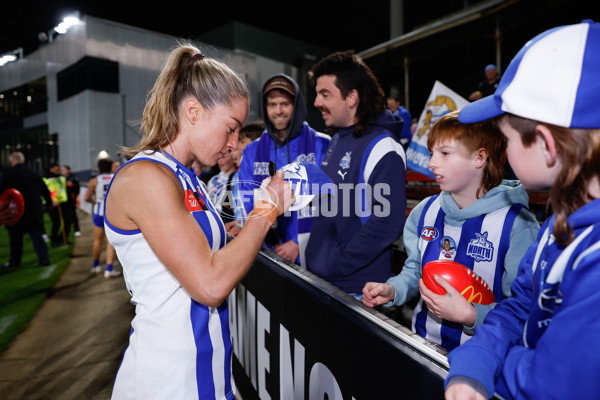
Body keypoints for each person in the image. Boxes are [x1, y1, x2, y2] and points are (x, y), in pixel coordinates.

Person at [103, 43, 293, 399]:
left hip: (206, 374)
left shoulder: (188, 178)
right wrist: (266, 210)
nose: (235, 144)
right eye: (230, 128)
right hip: (166, 383)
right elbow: (209, 285)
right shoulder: (147, 177)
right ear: (193, 110)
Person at [445, 20, 600, 400]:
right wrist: (478, 356)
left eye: (506, 138)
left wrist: (497, 362)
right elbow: (521, 307)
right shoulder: (560, 218)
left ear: (547, 145)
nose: (505, 151)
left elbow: (554, 385)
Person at [361, 110, 540, 351]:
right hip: (423, 348)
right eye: (432, 152)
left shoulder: (517, 225)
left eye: (444, 153)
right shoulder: (425, 211)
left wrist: (471, 315)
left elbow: (522, 310)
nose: (431, 163)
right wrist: (394, 288)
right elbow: (416, 271)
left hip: (486, 361)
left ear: (479, 158)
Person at [305, 50, 407, 298]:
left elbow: (388, 222)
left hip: (357, 293)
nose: (317, 102)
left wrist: (338, 262)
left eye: (325, 94)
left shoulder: (384, 146)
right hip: (325, 282)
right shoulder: (339, 137)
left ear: (352, 97)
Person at [237, 73, 330, 266]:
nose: (278, 110)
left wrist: (298, 241)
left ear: (296, 106)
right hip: (267, 250)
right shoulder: (253, 151)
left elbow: (329, 200)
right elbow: (245, 199)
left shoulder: (321, 144)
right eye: (272, 104)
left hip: (314, 252)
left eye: (284, 104)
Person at [0, 152, 52, 269]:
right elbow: (45, 189)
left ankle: (14, 262)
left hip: (15, 212)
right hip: (34, 210)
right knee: (36, 235)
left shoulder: (7, 173)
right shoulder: (33, 172)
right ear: (22, 160)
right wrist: (49, 204)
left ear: (11, 161)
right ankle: (44, 259)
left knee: (15, 238)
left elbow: (2, 193)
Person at [225, 120, 264, 237]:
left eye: (242, 142)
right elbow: (227, 207)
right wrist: (238, 222)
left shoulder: (263, 173)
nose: (238, 147)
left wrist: (245, 226)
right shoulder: (232, 177)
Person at [84, 158, 121, 278]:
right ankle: (109, 269)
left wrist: (96, 201)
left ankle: (96, 266)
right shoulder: (116, 177)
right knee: (110, 242)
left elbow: (86, 197)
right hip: (112, 213)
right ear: (111, 166)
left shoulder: (94, 181)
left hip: (99, 213)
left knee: (97, 240)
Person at [207, 150, 236, 223]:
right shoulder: (214, 180)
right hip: (213, 220)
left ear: (233, 158)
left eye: (224, 157)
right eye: (219, 158)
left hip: (229, 221)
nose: (220, 161)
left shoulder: (238, 179)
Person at [43, 163, 68, 247]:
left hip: (63, 203)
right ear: (51, 169)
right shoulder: (46, 179)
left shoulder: (61, 178)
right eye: (57, 169)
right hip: (53, 204)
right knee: (56, 223)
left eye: (59, 169)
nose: (58, 171)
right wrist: (50, 202)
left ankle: (62, 239)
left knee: (67, 221)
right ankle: (54, 242)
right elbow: (44, 193)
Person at [61, 165, 81, 237]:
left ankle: (77, 230)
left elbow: (77, 189)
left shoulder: (73, 179)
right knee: (65, 217)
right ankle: (67, 230)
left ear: (68, 170)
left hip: (71, 201)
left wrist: (74, 197)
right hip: (63, 201)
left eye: (64, 170)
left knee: (73, 215)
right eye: (62, 170)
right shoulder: (61, 179)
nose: (63, 171)